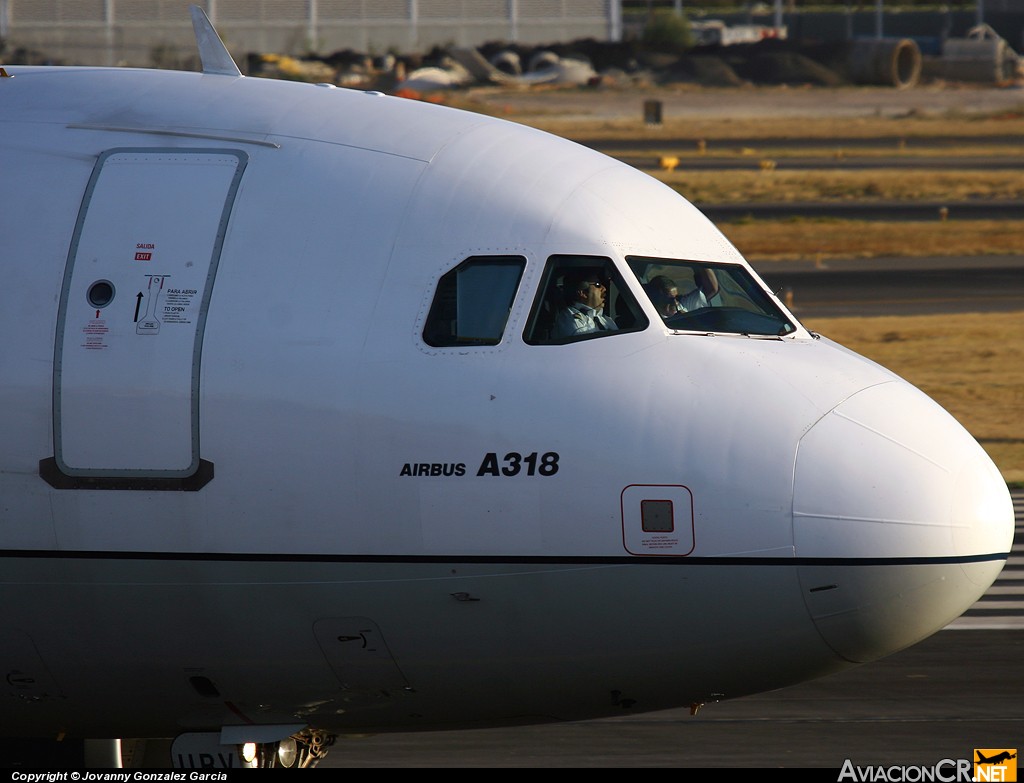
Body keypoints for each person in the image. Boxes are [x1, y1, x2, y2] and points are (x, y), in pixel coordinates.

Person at [551, 271, 618, 338]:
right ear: (583, 293)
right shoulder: (569, 320)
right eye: (598, 285)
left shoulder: (606, 320)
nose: (604, 288)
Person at [647, 268, 719, 317]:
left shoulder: (682, 306)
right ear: (656, 298)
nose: (675, 303)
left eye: (676, 297)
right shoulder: (650, 317)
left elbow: (711, 289)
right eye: (669, 299)